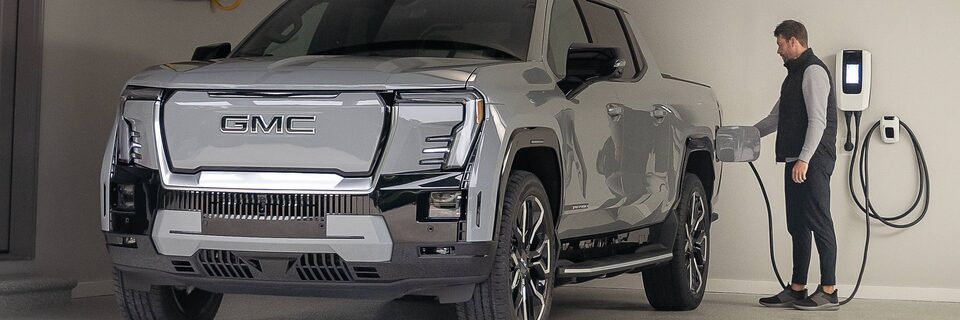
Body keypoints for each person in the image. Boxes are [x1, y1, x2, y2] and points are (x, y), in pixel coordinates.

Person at [755, 20, 841, 311]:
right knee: (797, 225)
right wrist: (744, 135)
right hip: (797, 159)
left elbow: (818, 121)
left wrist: (804, 159)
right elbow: (775, 119)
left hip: (813, 159)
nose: (778, 51)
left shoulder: (813, 71)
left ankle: (829, 290)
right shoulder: (794, 75)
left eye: (780, 44)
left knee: (819, 221)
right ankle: (797, 288)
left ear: (793, 41)